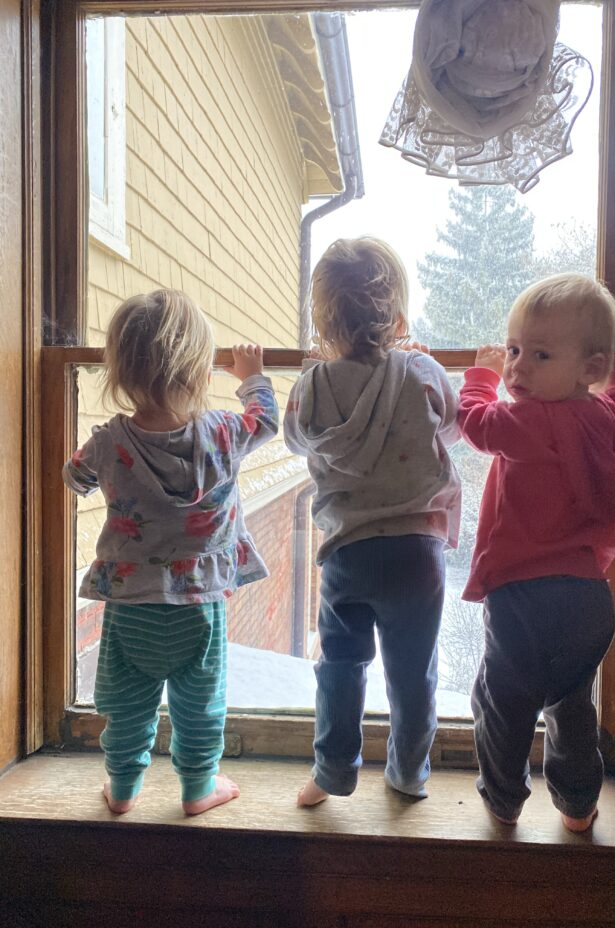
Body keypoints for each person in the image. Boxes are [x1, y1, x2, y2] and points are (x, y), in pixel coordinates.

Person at [63, 289, 279, 815]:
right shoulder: (224, 433)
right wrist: (252, 376)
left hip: (130, 604)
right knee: (200, 704)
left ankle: (121, 787)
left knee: (128, 704)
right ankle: (197, 787)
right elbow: (266, 421)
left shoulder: (109, 441)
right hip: (198, 606)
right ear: (201, 372)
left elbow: (75, 477)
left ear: (121, 372)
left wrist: (96, 474)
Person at [458, 273, 615, 833]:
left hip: (523, 599)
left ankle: (503, 798)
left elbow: (476, 423)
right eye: (513, 351)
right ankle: (579, 804)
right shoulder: (601, 418)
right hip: (588, 597)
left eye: (539, 355)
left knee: (504, 703)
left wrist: (481, 377)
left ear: (589, 367)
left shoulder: (528, 418)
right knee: (571, 705)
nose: (517, 368)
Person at [284, 236, 461, 807]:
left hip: (347, 554)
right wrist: (418, 369)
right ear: (399, 316)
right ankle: (408, 773)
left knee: (340, 664)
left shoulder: (312, 386)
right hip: (417, 554)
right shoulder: (424, 372)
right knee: (413, 673)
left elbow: (294, 439)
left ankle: (332, 771)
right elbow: (453, 429)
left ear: (322, 321)